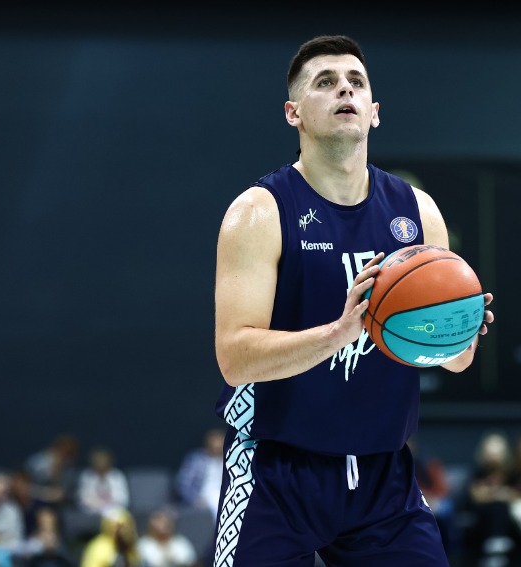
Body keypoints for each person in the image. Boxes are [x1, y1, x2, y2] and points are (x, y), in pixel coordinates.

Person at [212, 34, 495, 567]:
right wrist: (339, 333)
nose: (344, 89)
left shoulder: (419, 212)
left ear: (374, 112)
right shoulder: (259, 212)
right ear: (293, 113)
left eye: (356, 82)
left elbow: (455, 362)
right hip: (275, 470)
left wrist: (460, 330)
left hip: (382, 474)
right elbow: (235, 358)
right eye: (326, 82)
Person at [174, 428, 224, 523]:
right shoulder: (196, 459)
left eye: (220, 442)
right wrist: (194, 500)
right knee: (217, 502)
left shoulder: (230, 460)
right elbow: (183, 483)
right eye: (215, 442)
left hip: (224, 495)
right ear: (209, 443)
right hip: (202, 496)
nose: (218, 446)